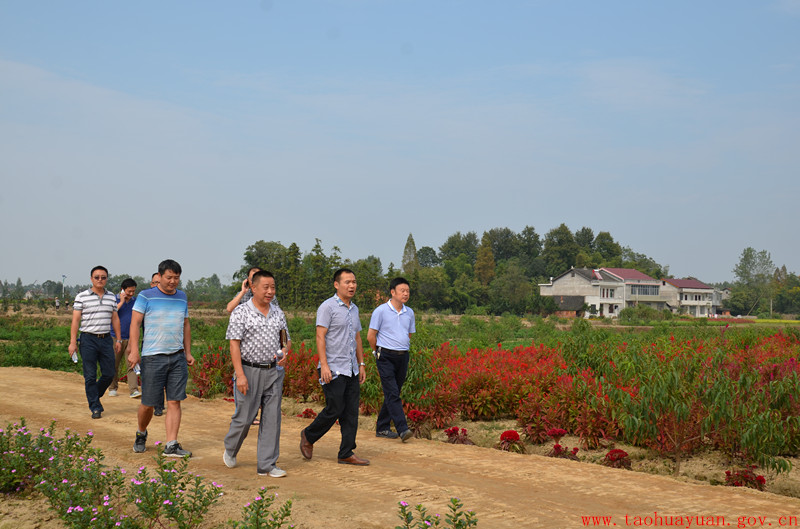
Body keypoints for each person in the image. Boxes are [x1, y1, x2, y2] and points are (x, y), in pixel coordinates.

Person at [222, 271, 291, 477]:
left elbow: (285, 339)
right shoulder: (241, 312)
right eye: (266, 287)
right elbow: (234, 345)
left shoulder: (278, 313)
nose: (270, 292)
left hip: (274, 371)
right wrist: (240, 375)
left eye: (273, 287)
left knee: (272, 418)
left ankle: (267, 465)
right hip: (248, 371)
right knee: (244, 417)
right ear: (253, 287)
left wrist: (285, 352)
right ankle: (231, 448)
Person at [300, 268, 369, 466]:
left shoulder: (354, 309)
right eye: (347, 282)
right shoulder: (327, 307)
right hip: (332, 367)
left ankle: (346, 452)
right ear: (336, 284)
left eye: (354, 282)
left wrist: (361, 363)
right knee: (335, 408)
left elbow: (357, 337)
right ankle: (308, 435)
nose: (352, 285)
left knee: (350, 412)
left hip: (352, 368)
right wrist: (324, 366)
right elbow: (320, 336)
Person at [128, 259, 194, 457]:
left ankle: (171, 444)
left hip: (177, 357)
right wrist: (133, 351)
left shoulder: (182, 297)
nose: (173, 281)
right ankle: (141, 433)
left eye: (176, 278)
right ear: (159, 277)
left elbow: (186, 325)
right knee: (148, 402)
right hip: (152, 357)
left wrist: (188, 352)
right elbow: (135, 323)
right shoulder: (145, 296)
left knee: (175, 401)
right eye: (169, 277)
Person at [68, 266, 122, 419]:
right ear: (91, 279)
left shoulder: (111, 297)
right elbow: (76, 320)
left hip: (105, 339)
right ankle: (95, 407)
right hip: (88, 339)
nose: (100, 280)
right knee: (90, 376)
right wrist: (73, 343)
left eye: (103, 277)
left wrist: (118, 339)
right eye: (97, 277)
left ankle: (93, 395)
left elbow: (115, 319)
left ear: (106, 279)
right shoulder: (81, 297)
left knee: (109, 373)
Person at [368, 277, 416, 442]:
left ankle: (382, 427)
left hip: (403, 355)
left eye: (407, 291)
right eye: (402, 291)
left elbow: (408, 334)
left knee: (393, 392)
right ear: (393, 292)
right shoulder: (380, 311)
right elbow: (370, 336)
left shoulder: (409, 312)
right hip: (385, 356)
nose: (405, 294)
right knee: (393, 393)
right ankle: (403, 429)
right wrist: (377, 353)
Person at [109, 278, 141, 398]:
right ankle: (112, 387)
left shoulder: (135, 301)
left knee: (132, 364)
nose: (131, 294)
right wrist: (122, 301)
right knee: (114, 364)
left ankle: (133, 390)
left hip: (131, 338)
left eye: (133, 291)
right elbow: (111, 313)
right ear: (122, 290)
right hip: (115, 337)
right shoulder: (114, 300)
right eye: (129, 291)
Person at [147, 273, 165, 416]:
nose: (156, 285)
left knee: (162, 378)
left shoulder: (170, 301)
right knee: (151, 378)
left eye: (158, 282)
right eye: (154, 283)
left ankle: (159, 406)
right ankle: (152, 403)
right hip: (150, 346)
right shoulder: (145, 300)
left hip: (166, 347)